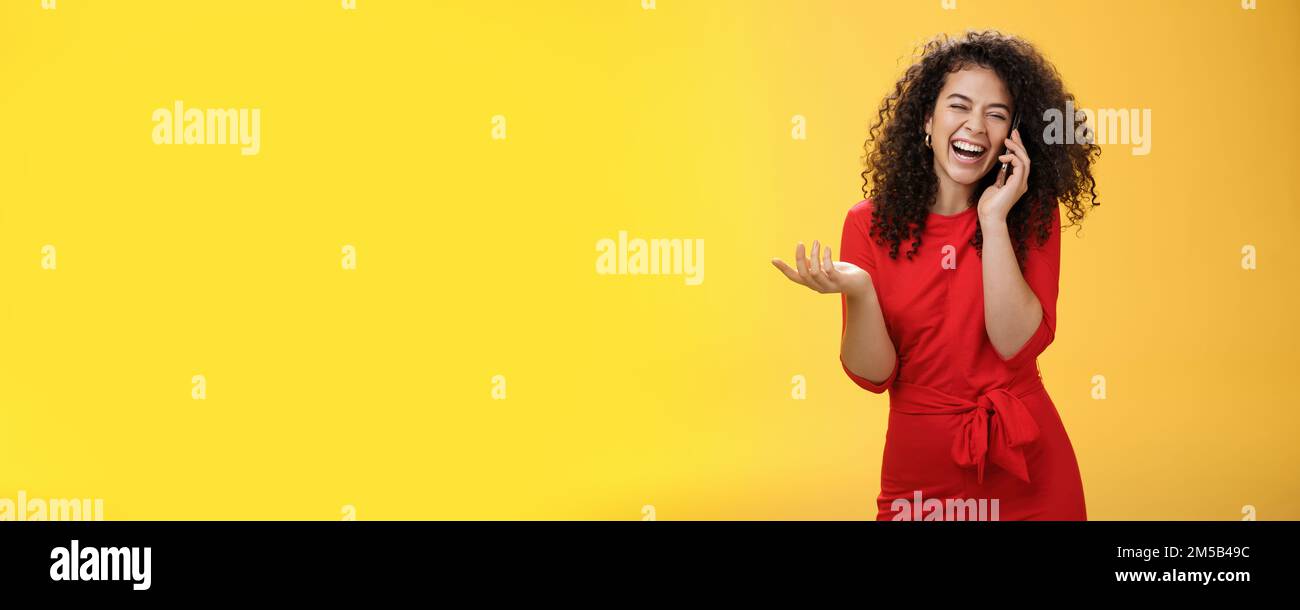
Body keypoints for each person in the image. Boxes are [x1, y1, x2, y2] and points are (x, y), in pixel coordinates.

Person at [771, 30, 1100, 520]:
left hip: (1028, 468)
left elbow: (1015, 343)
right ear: (927, 118)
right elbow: (873, 374)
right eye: (959, 106)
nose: (975, 127)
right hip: (920, 474)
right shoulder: (868, 223)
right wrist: (860, 290)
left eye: (997, 114)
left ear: (1014, 134)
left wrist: (992, 218)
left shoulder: (1029, 216)